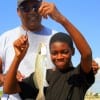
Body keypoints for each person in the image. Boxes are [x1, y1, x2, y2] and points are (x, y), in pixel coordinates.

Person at [3, 2, 95, 99]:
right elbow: (9, 89)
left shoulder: (78, 75)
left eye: (64, 52)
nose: (59, 57)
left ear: (73, 51)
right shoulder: (44, 76)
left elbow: (87, 54)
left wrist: (61, 19)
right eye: (54, 53)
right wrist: (17, 58)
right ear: (49, 54)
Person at [0, 0, 57, 99]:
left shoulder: (56, 37)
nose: (32, 11)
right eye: (26, 8)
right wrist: (7, 77)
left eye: (35, 7)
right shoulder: (5, 38)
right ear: (18, 12)